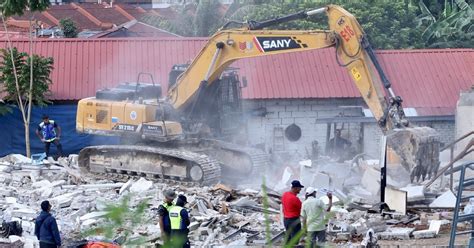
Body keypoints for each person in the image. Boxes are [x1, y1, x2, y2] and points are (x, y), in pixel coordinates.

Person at [281, 180, 304, 245]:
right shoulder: (294, 199)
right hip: (294, 220)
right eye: (299, 188)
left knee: (288, 238)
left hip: (286, 220)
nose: (300, 190)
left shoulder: (285, 194)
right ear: (295, 188)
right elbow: (302, 208)